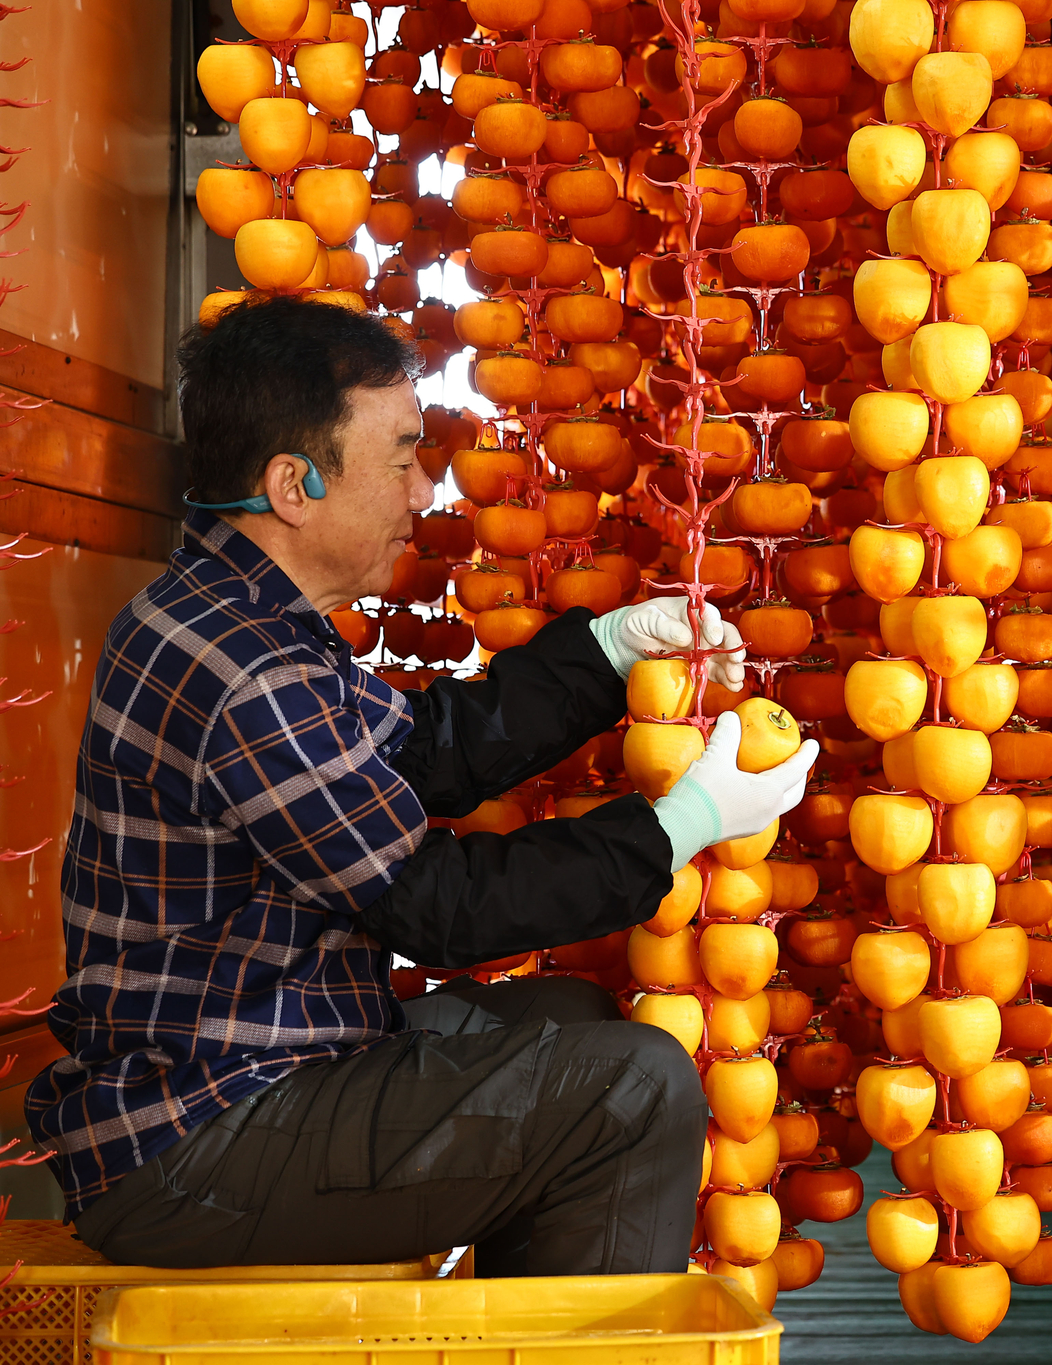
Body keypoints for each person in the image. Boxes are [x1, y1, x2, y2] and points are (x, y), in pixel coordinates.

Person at [23, 298, 816, 1276]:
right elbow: (439, 907)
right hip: (199, 1142)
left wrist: (603, 657)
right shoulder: (247, 671)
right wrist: (678, 829)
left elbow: (426, 754)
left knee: (569, 1020)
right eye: (400, 461)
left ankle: (523, 1340)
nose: (421, 493)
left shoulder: (243, 620)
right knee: (632, 1088)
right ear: (293, 484)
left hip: (257, 1067)